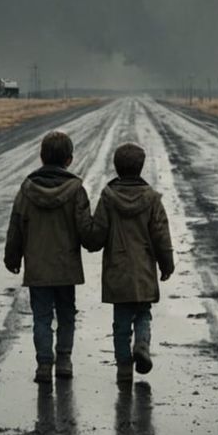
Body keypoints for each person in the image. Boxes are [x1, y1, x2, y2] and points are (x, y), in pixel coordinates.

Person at [3, 130, 93, 384]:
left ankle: (44, 364)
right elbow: (86, 229)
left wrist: (13, 258)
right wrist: (97, 241)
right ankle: (63, 360)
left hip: (38, 268)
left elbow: (16, 226)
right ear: (69, 159)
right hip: (66, 268)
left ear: (42, 157)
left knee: (41, 317)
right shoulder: (76, 190)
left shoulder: (27, 190)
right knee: (66, 314)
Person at [82, 142, 174, 385]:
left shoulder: (108, 197)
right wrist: (167, 265)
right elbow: (161, 236)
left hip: (118, 269)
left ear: (117, 167)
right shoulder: (152, 199)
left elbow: (97, 235)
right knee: (143, 313)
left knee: (121, 321)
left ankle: (124, 368)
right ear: (141, 167)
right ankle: (142, 345)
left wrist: (86, 236)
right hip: (143, 269)